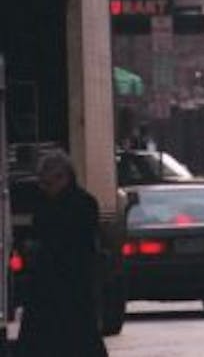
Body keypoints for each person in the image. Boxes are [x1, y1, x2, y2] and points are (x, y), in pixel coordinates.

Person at [16, 151, 108, 357]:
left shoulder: (81, 204)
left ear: (63, 177)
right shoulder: (54, 203)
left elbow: (72, 242)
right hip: (57, 284)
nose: (44, 189)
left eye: (47, 183)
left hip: (70, 282)